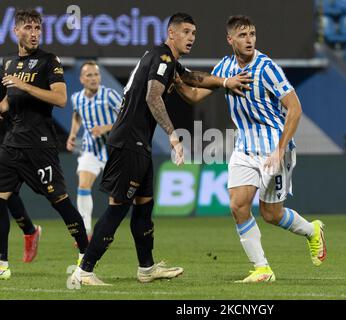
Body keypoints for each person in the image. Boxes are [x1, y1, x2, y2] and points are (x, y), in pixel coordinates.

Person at [70, 12, 251, 286]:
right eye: (187, 32)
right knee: (118, 207)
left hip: (137, 142)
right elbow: (152, 96)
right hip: (129, 142)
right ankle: (84, 270)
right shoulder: (163, 58)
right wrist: (173, 136)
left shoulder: (167, 61)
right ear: (171, 33)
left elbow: (192, 80)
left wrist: (225, 82)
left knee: (144, 206)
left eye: (194, 33)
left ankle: (146, 268)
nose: (192, 38)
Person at [174, 15, 327, 282]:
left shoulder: (267, 68)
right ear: (230, 40)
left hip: (274, 150)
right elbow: (196, 95)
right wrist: (175, 82)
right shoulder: (225, 66)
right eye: (243, 35)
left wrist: (280, 150)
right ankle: (262, 268)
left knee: (271, 214)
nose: (249, 40)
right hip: (244, 149)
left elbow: (295, 108)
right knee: (238, 206)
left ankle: (312, 231)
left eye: (253, 34)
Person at [0, 9, 89, 280]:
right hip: (13, 143)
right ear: (16, 31)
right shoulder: (9, 63)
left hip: (40, 145)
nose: (34, 32)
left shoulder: (50, 61)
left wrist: (25, 86)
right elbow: (8, 103)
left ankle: (86, 254)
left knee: (60, 201)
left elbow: (61, 99)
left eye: (38, 28)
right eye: (28, 27)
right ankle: (2, 263)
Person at [66, 60, 122, 241]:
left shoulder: (110, 95)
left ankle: (109, 232)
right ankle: (86, 231)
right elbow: (77, 115)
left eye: (96, 74)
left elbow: (127, 119)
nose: (93, 78)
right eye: (89, 75)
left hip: (115, 151)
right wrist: (72, 134)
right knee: (83, 185)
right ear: (82, 79)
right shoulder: (77, 98)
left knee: (117, 198)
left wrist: (106, 127)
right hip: (92, 149)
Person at [0, 112, 41, 264]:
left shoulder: (9, 88)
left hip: (12, 141)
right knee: (6, 195)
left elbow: (13, 103)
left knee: (4, 194)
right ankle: (30, 231)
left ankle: (2, 261)